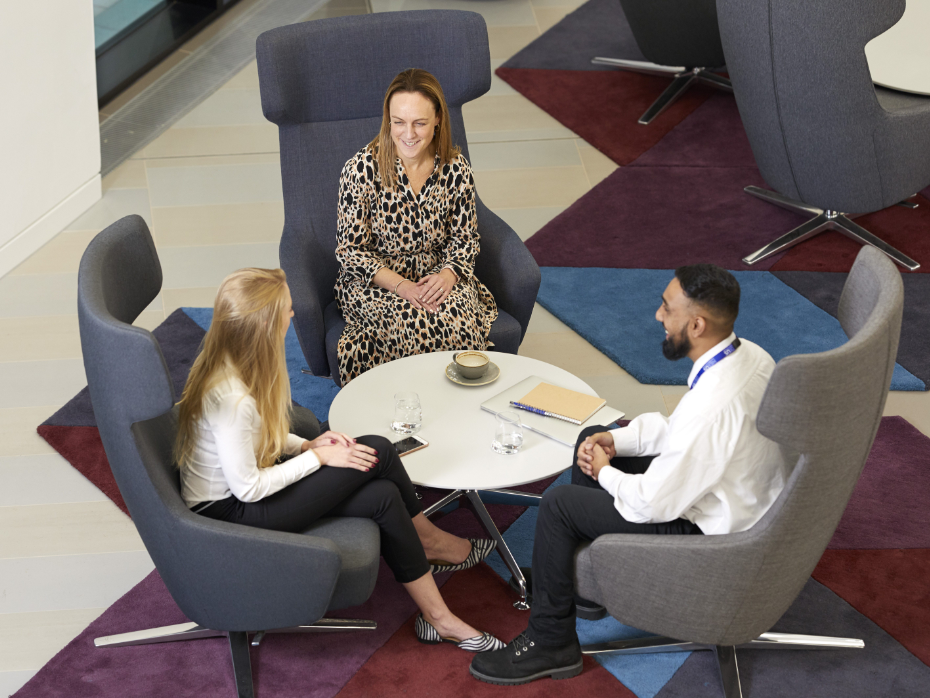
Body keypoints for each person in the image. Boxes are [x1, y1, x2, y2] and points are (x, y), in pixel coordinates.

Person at [470, 264, 790, 684]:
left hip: (714, 536)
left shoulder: (714, 408)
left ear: (697, 325)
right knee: (591, 438)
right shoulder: (749, 356)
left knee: (560, 505)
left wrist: (604, 472)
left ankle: (552, 642)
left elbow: (650, 504)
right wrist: (615, 441)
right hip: (733, 496)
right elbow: (679, 430)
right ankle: (582, 584)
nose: (658, 315)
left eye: (667, 308)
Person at [176, 267, 502, 652]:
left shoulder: (234, 362)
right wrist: (321, 458)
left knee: (383, 496)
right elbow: (248, 489)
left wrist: (306, 446)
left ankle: (438, 619)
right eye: (286, 309)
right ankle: (430, 542)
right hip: (232, 514)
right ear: (263, 325)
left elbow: (256, 435)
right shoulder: (231, 399)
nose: (292, 314)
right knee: (379, 450)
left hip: (246, 489)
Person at [333, 68, 498, 385]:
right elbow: (350, 252)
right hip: (376, 281)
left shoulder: (456, 168)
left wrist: (448, 275)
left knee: (458, 321)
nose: (408, 134)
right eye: (399, 122)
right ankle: (408, 404)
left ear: (438, 120)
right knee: (411, 322)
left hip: (438, 274)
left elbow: (465, 239)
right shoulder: (361, 170)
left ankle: (456, 405)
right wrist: (403, 287)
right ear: (388, 120)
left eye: (419, 123)